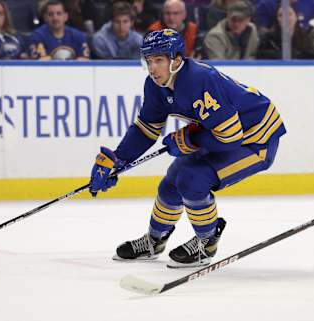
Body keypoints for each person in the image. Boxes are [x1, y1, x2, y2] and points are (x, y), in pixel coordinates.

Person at [88, 29, 286, 268]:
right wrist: (117, 160)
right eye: (149, 61)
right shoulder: (155, 86)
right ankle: (154, 240)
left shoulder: (201, 80)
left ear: (177, 60)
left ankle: (207, 242)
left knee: (192, 180)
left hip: (255, 140)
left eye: (159, 60)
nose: (153, 68)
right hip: (219, 133)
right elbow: (145, 130)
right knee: (171, 183)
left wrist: (190, 140)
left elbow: (230, 137)